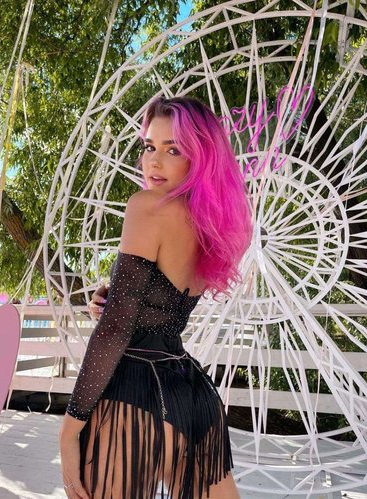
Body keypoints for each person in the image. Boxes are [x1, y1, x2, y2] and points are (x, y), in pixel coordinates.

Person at [59, 96, 252, 499]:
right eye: (149, 146)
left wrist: (70, 427)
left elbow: (116, 331)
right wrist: (117, 298)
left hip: (134, 394)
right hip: (191, 395)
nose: (154, 162)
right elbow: (159, 311)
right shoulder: (209, 227)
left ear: (200, 159)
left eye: (173, 150)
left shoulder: (147, 207)